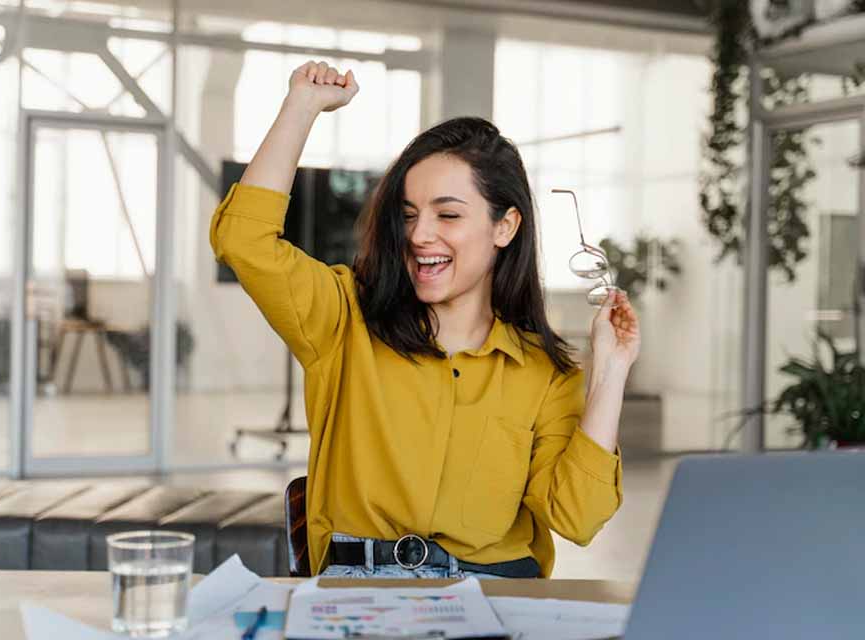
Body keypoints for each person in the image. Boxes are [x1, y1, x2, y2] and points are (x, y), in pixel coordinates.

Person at [210, 61, 641, 578]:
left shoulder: (545, 373)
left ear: (505, 227)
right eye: (409, 214)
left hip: (495, 590)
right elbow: (244, 242)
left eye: (448, 214)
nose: (419, 235)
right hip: (359, 589)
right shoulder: (343, 318)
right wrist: (301, 107)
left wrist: (610, 373)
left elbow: (577, 517)